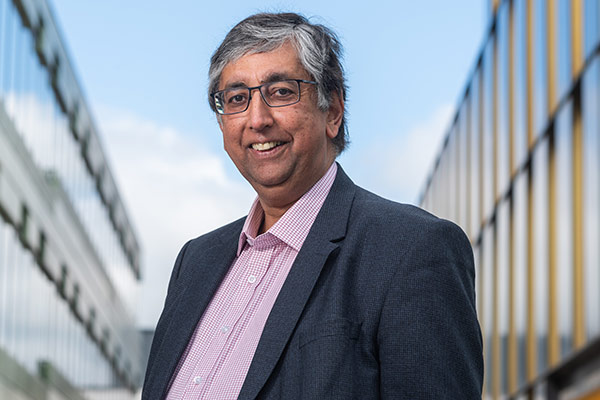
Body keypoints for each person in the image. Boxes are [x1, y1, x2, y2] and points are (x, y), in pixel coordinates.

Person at [142, 12, 483, 400]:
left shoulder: (411, 250)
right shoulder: (195, 261)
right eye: (237, 98)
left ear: (333, 111)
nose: (257, 119)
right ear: (222, 124)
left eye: (282, 91)